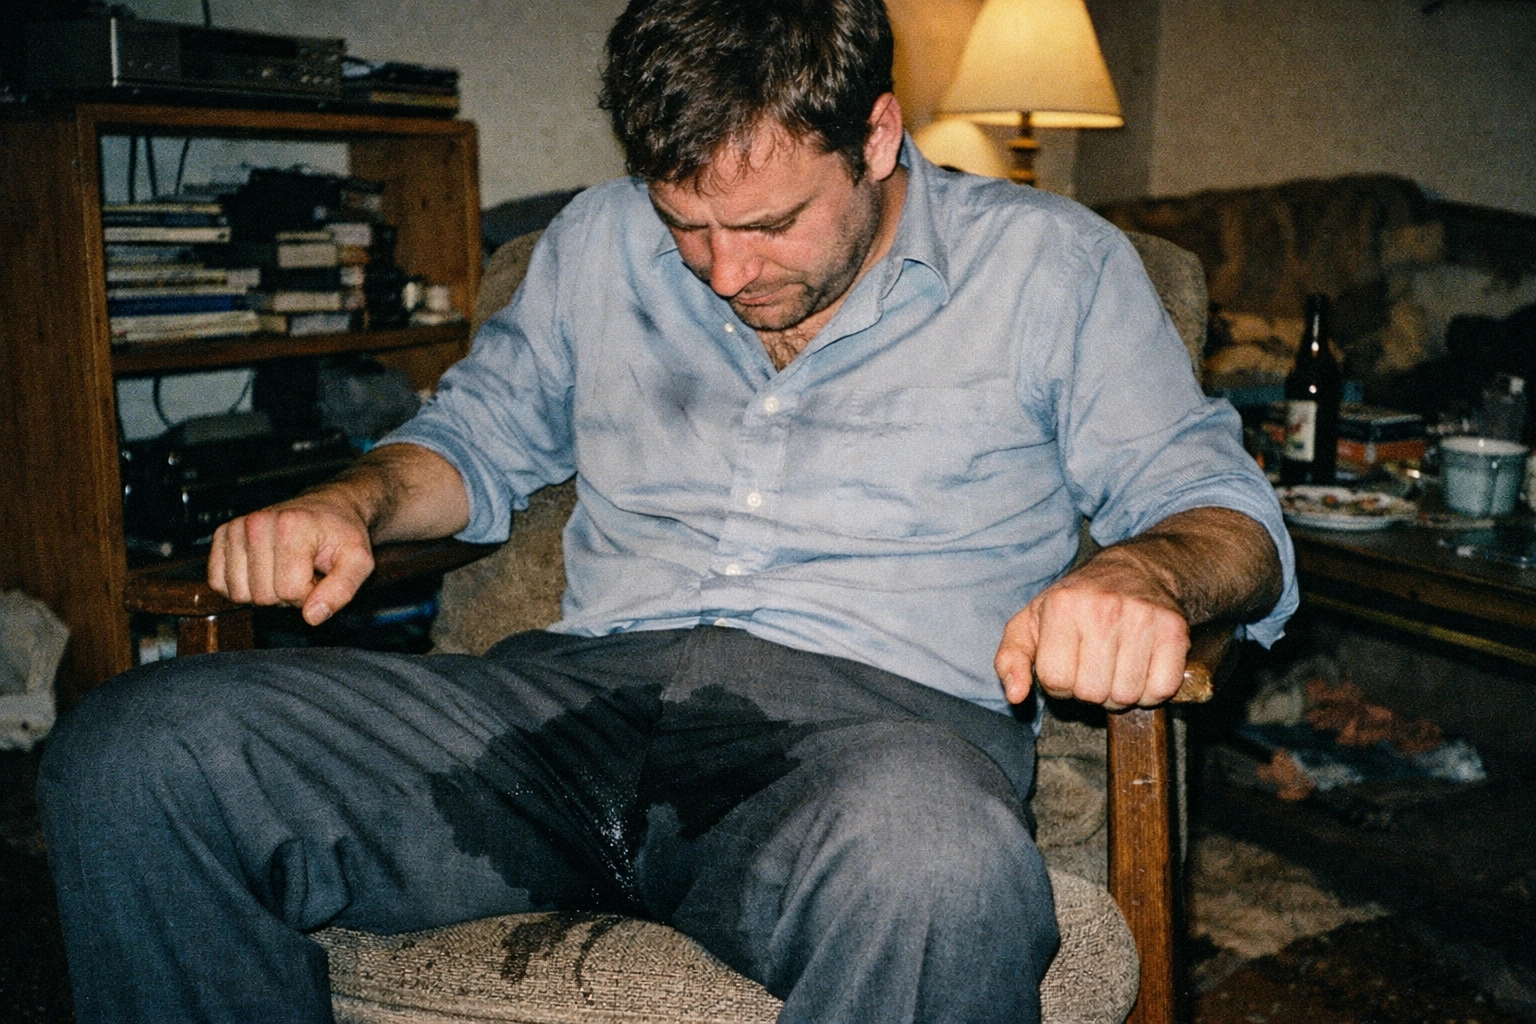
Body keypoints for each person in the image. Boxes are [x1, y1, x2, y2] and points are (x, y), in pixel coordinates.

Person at [38, 0, 1296, 1021]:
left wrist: (1144, 574)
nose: (727, 271)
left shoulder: (1054, 269)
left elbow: (1226, 513)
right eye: (684, 225)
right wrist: (350, 501)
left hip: (863, 751)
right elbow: (471, 444)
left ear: (877, 137)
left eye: (770, 224)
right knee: (140, 750)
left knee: (942, 865)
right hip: (559, 715)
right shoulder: (594, 242)